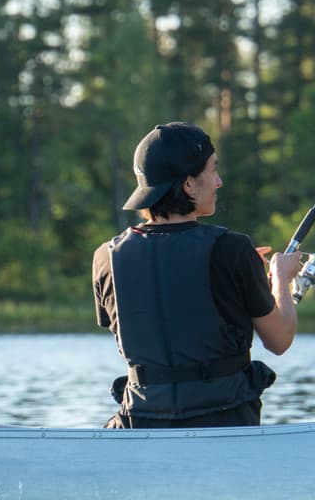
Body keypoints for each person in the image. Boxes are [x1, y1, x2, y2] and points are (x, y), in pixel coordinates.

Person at [92, 121, 303, 429]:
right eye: (212, 171)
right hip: (223, 422)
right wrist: (280, 276)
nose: (218, 181)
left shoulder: (105, 257)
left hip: (141, 423)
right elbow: (280, 339)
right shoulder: (232, 249)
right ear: (188, 184)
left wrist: (241, 275)